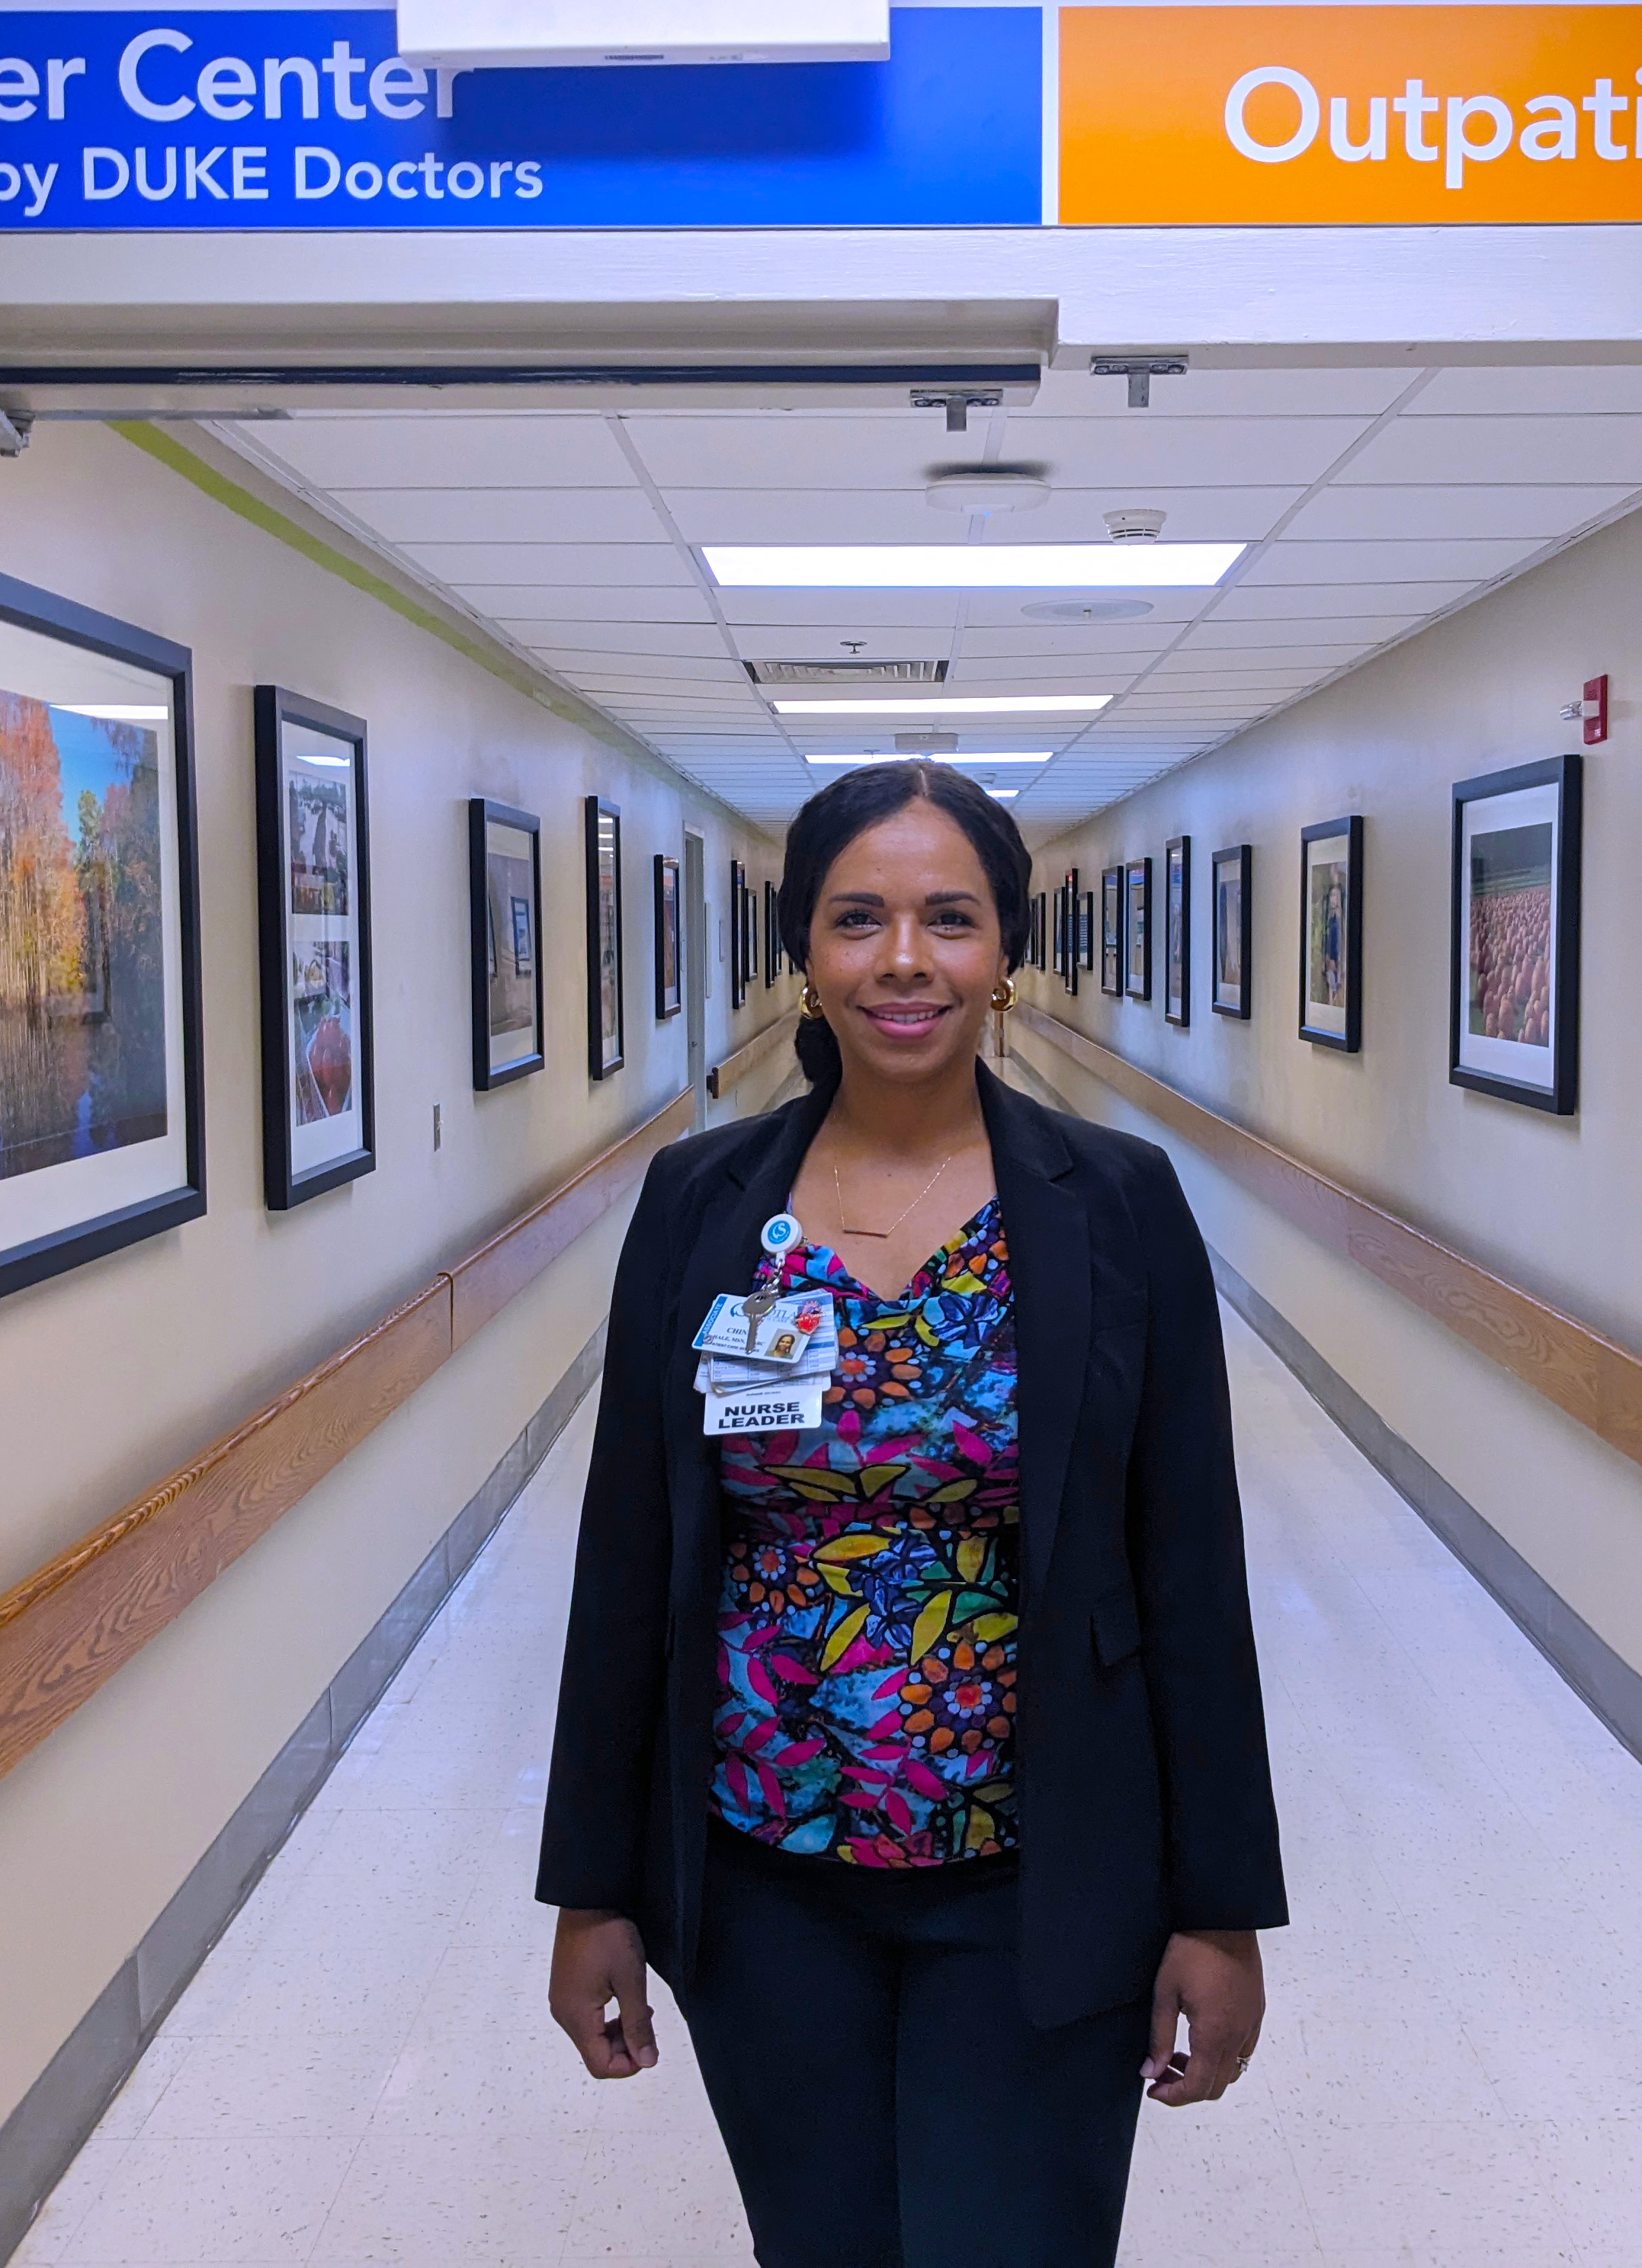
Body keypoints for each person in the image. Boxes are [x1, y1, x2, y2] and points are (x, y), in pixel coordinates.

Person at [537, 761, 1286, 2268]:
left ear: (1004, 950)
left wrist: (1218, 1909)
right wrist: (592, 1885)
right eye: (856, 917)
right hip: (758, 1875)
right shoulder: (701, 1203)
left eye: (947, 919)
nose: (901, 959)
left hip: (1040, 1874)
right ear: (800, 948)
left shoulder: (1113, 1201)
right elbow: (631, 1553)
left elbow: (1189, 1566)